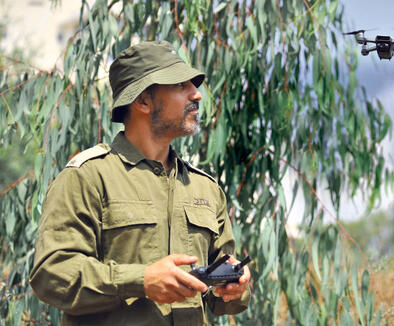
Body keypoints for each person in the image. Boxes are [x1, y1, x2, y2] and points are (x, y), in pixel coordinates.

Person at [30, 41, 251, 326]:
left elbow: (221, 298)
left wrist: (235, 287)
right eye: (180, 85)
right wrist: (141, 280)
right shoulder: (87, 177)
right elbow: (52, 274)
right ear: (144, 101)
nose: (196, 94)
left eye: (193, 85)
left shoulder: (205, 188)